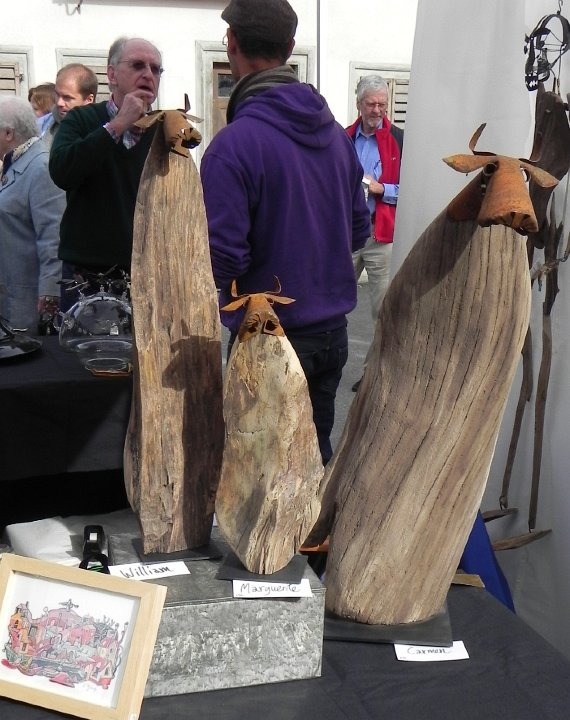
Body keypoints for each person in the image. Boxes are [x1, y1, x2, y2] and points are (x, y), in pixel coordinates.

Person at [201, 0, 370, 465]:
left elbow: (222, 261)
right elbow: (358, 230)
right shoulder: (337, 138)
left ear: (231, 43)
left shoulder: (233, 146)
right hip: (330, 334)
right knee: (311, 465)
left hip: (268, 339)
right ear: (290, 48)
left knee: (259, 478)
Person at [49, 36, 162, 309]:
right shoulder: (81, 119)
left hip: (147, 274)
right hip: (87, 275)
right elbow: (62, 171)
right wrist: (118, 124)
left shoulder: (163, 131)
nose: (148, 74)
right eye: (137, 65)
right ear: (112, 74)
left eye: (156, 69)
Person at [347, 75, 403, 391]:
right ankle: (325, 363)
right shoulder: (343, 138)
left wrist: (383, 189)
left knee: (383, 309)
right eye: (371, 104)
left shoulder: (399, 139)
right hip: (347, 235)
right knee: (333, 298)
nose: (378, 110)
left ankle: (373, 374)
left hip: (381, 235)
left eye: (382, 104)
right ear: (359, 104)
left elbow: (411, 186)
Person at [0, 96, 65, 331]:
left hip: (25, 303)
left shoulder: (40, 167)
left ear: (8, 134)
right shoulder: (15, 162)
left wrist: (50, 292)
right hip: (10, 295)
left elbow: (53, 236)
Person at [42, 63, 98, 149]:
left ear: (89, 100)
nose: (59, 103)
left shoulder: (99, 133)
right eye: (57, 94)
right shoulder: (42, 125)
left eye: (67, 97)